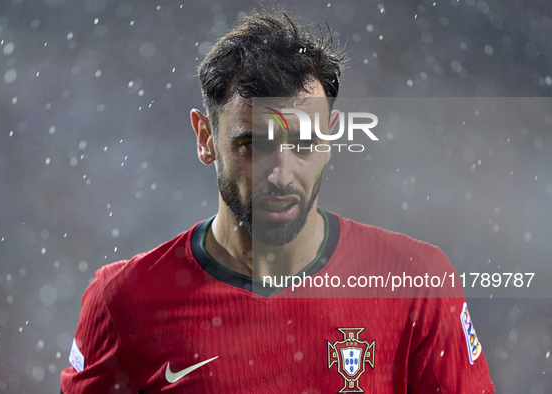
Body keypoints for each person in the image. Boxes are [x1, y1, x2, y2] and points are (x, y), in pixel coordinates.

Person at [60, 9, 494, 394]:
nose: (281, 175)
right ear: (205, 138)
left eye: (303, 143)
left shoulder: (416, 284)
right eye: (253, 144)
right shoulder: (122, 302)